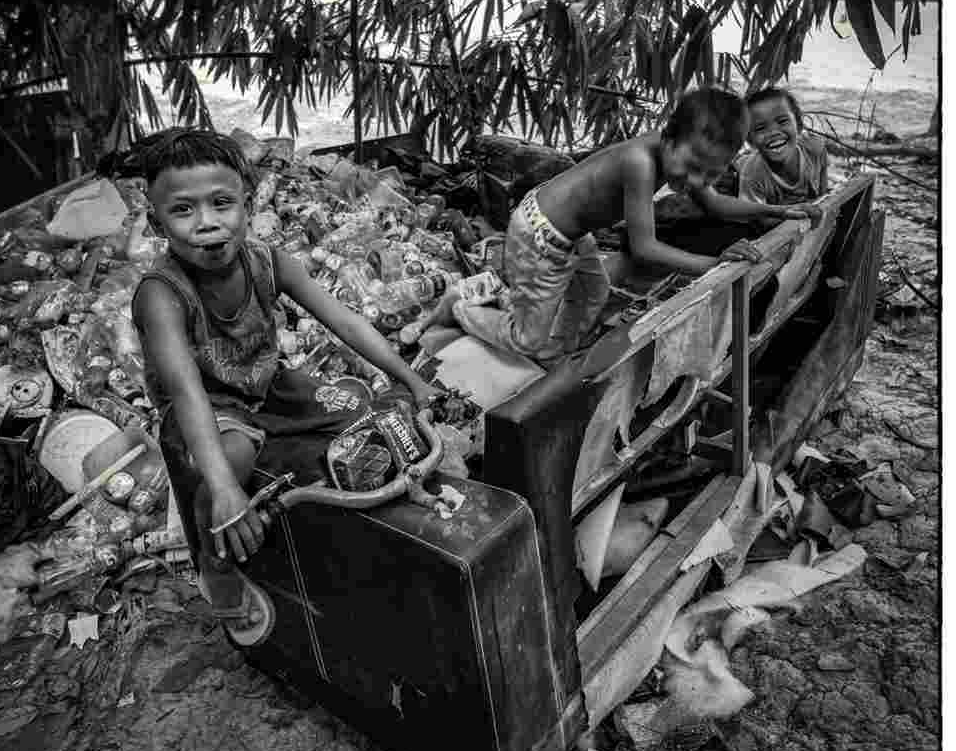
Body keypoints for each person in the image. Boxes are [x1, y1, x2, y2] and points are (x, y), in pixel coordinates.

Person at [130, 128, 440, 644]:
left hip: (268, 382)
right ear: (155, 220)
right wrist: (224, 490)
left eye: (221, 203)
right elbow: (185, 392)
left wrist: (410, 380)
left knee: (362, 410)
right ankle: (215, 562)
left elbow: (346, 322)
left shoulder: (266, 260)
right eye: (183, 210)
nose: (206, 222)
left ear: (248, 205)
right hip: (208, 404)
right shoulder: (161, 294)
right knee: (232, 459)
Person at [431, 87, 821, 364]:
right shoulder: (640, 162)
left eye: (709, 173)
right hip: (541, 233)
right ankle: (461, 308)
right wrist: (713, 264)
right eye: (692, 168)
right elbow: (646, 248)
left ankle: (557, 348)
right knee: (528, 341)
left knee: (594, 295)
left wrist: (777, 212)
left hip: (571, 233)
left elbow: (716, 203)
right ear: (669, 138)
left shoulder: (684, 151)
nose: (696, 180)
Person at [738, 87, 829, 222]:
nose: (773, 132)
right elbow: (758, 220)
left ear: (799, 125)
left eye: (782, 121)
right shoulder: (752, 174)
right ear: (750, 140)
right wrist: (796, 215)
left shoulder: (815, 147)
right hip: (741, 170)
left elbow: (824, 196)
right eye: (760, 128)